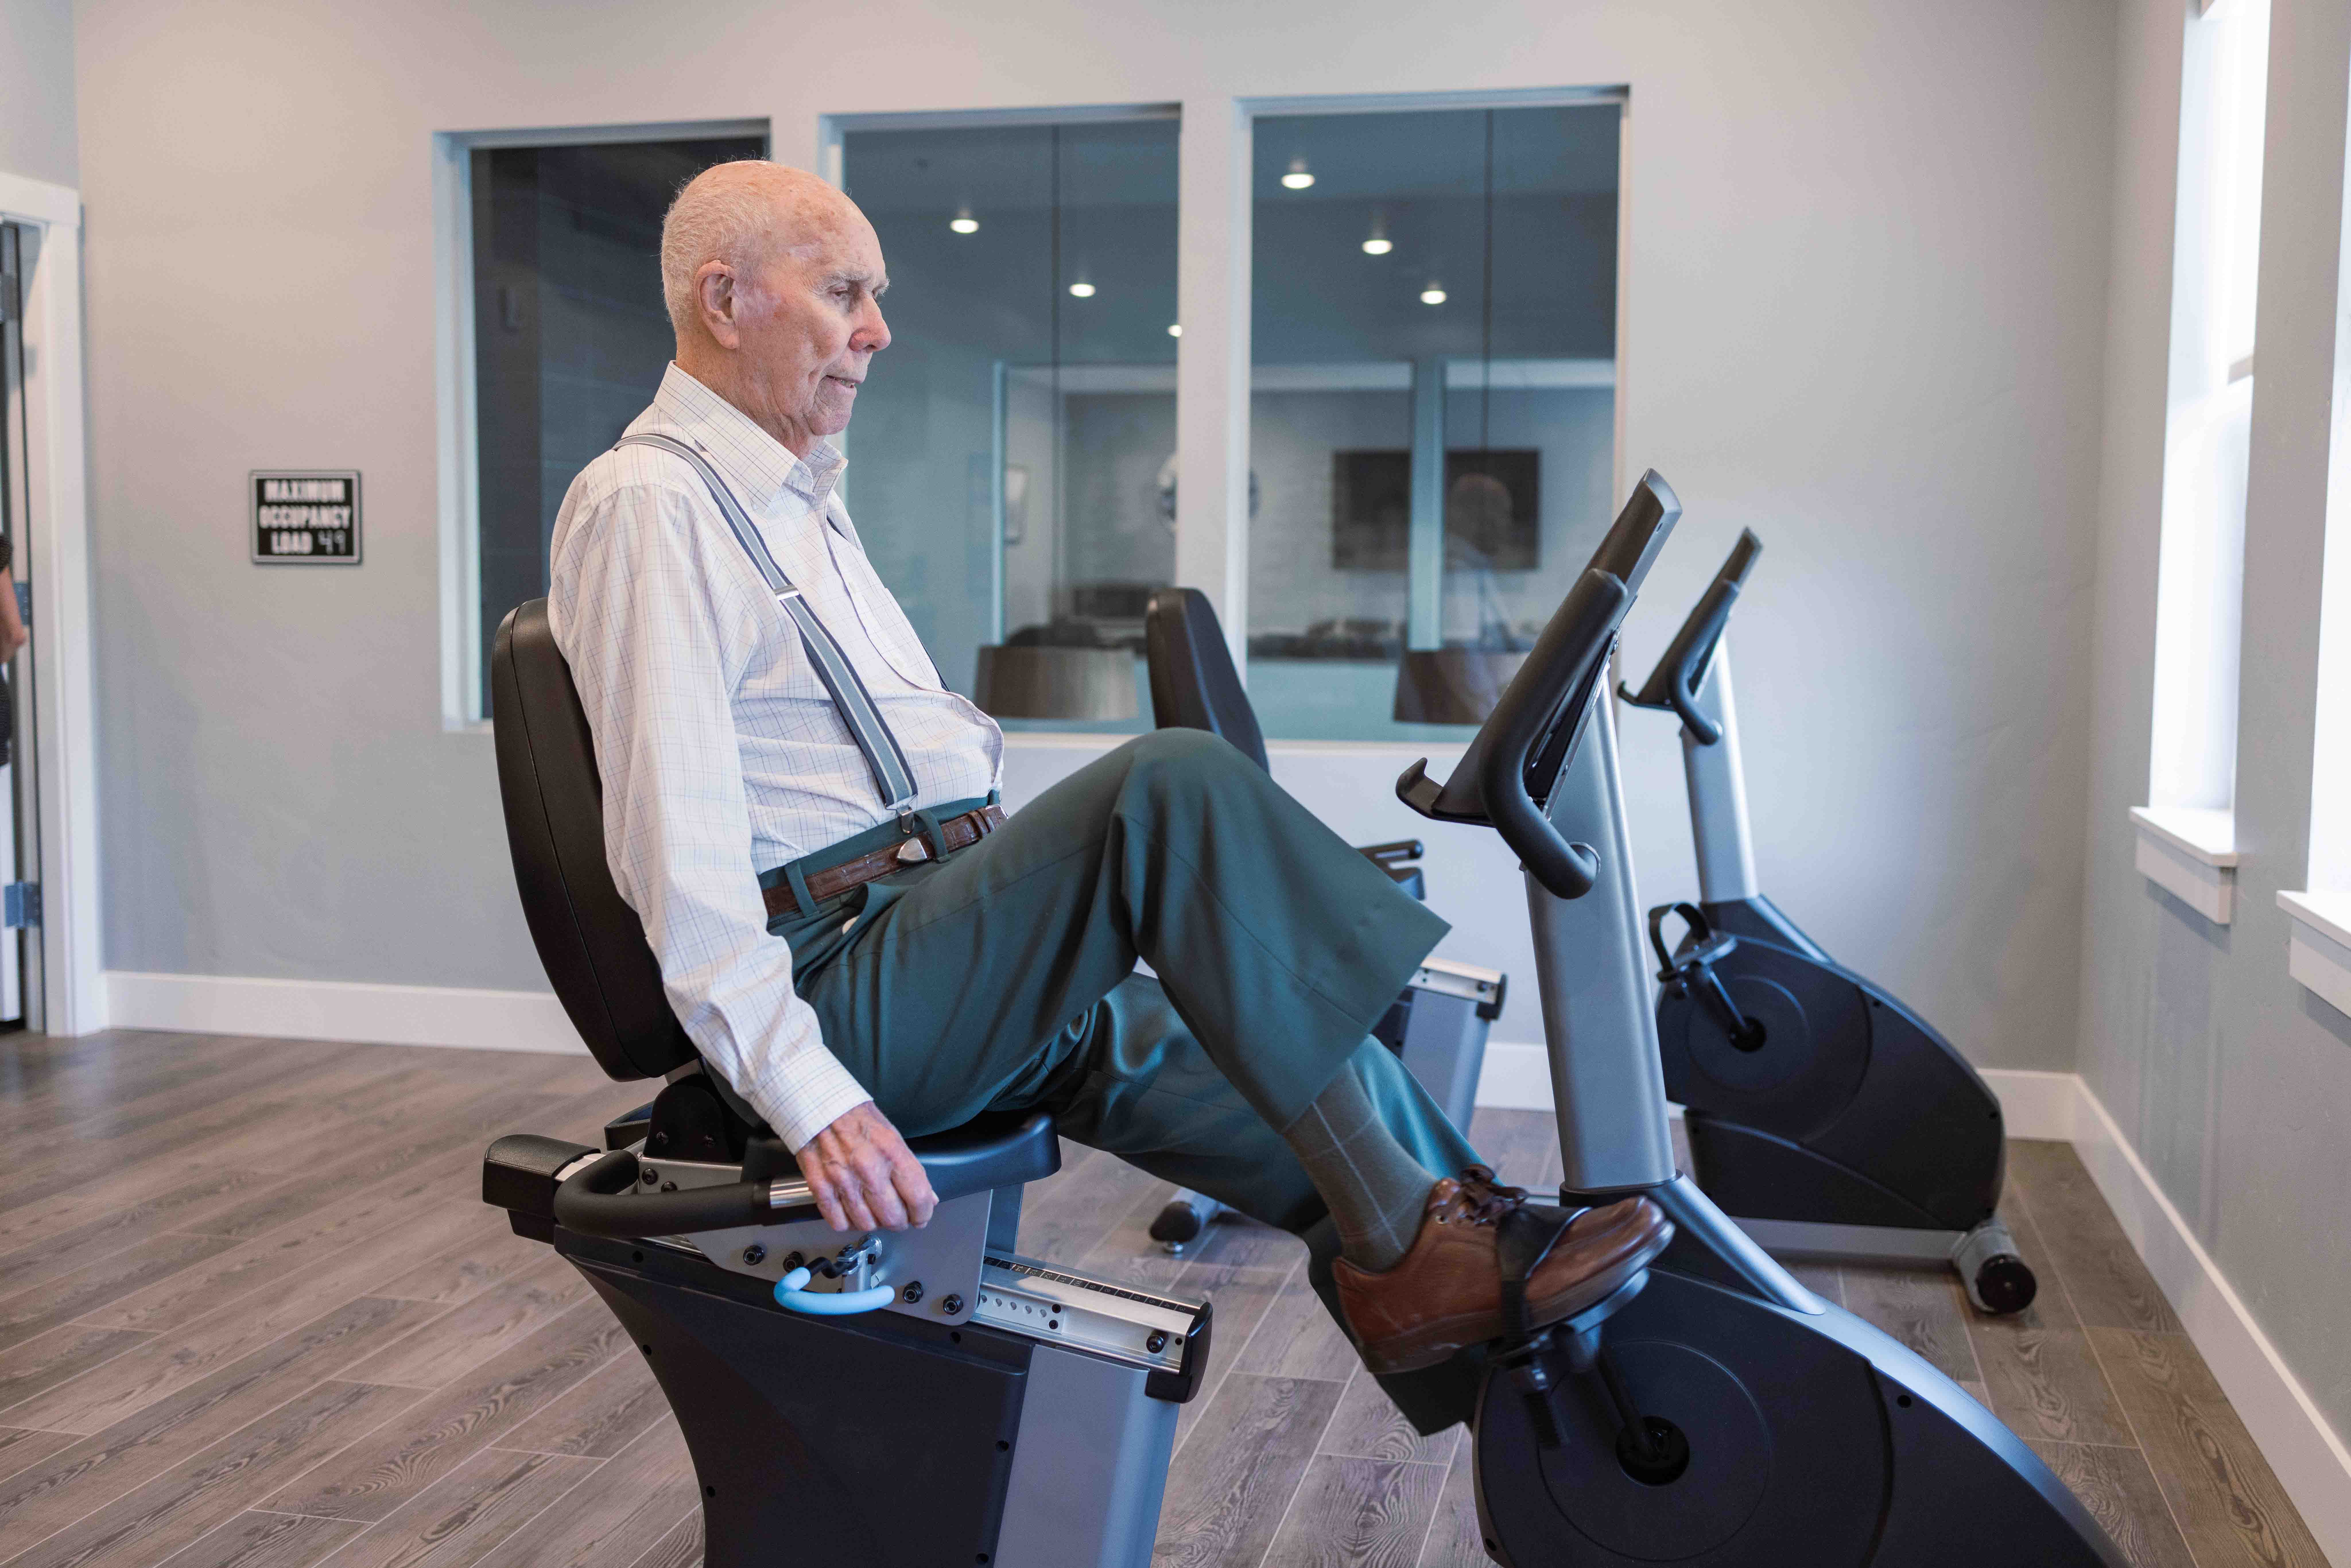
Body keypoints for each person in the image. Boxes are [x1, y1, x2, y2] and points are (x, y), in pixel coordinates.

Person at [547, 160, 1670, 1430]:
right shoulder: (650, 505)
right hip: (846, 985)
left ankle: (1513, 1315)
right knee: (1167, 788)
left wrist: (1025, 905)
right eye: (844, 291)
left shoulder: (803, 505)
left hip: (939, 956)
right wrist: (811, 1093)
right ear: (725, 299)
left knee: (1290, 1091)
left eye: (878, 295)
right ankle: (1430, 1256)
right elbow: (673, 849)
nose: (878, 328)